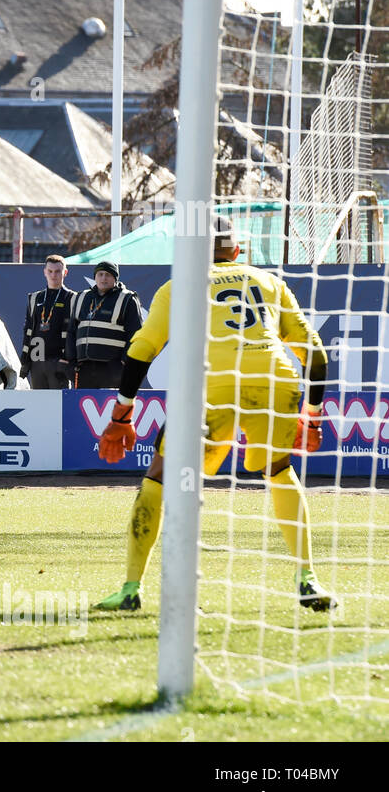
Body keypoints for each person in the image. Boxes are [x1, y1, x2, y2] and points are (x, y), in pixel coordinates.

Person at [94, 217, 336, 612]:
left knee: (160, 476)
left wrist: (123, 412)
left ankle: (131, 588)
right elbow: (316, 354)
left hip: (212, 387)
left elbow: (142, 349)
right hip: (276, 382)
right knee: (278, 471)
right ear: (237, 252)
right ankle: (307, 577)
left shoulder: (178, 288)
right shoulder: (270, 282)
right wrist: (312, 414)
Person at [66, 260, 143, 389]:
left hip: (112, 369)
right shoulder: (82, 297)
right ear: (95, 277)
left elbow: (136, 333)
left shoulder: (127, 299)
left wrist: (124, 362)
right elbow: (71, 332)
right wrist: (71, 362)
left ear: (115, 278)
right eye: (100, 274)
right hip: (84, 369)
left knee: (110, 407)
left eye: (108, 274)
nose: (103, 278)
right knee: (81, 407)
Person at [19, 254, 76, 390]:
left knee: (60, 404)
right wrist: (25, 360)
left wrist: (68, 359)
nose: (53, 275)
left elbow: (75, 331)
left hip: (59, 361)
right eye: (50, 271)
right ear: (44, 272)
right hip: (37, 360)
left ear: (65, 273)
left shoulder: (72, 297)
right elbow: (28, 329)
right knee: (39, 403)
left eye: (57, 271)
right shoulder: (35, 298)